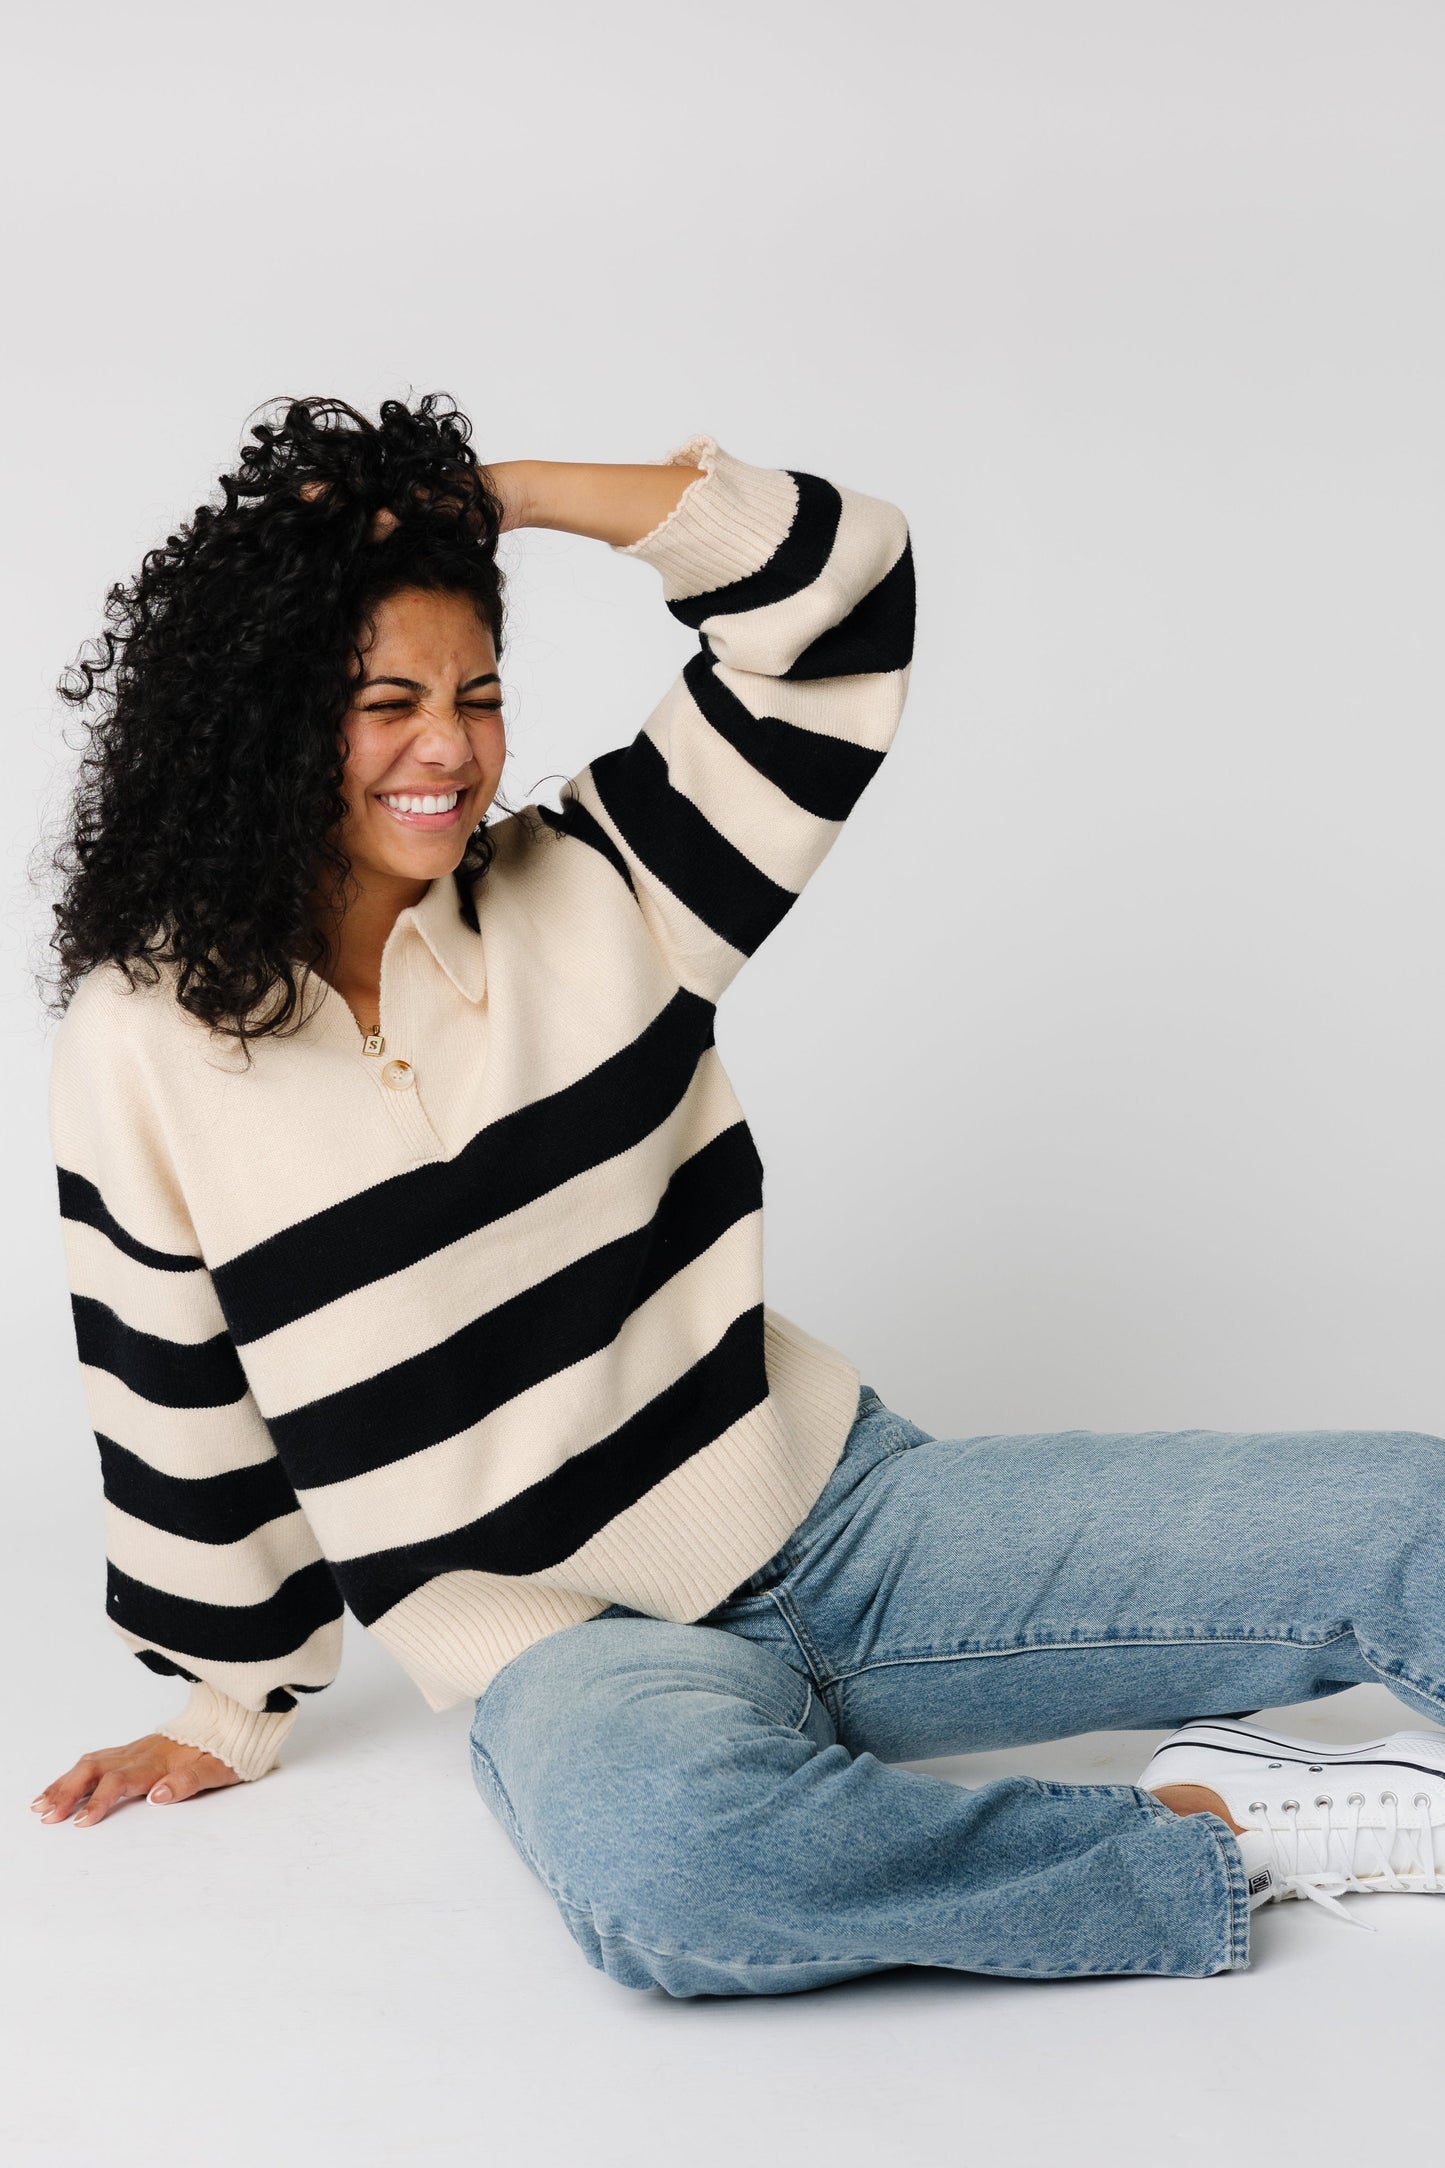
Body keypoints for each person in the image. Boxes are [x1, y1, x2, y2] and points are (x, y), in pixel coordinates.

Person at [30, 394, 1445, 1996]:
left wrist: (479, 504)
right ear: (259, 720)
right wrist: (224, 1703)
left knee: (1416, 1521)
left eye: (479, 694)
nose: (451, 748)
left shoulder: (603, 883)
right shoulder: (141, 1042)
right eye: (383, 702)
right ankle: (1232, 1835)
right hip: (572, 1650)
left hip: (848, 1525)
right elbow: (172, 1397)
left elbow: (840, 603)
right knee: (675, 1869)